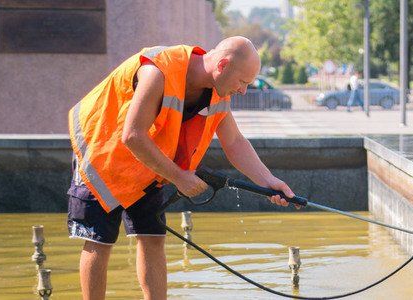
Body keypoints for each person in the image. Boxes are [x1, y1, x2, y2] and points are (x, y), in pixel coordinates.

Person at [67, 36, 295, 300]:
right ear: (222, 65)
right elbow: (132, 135)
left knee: (152, 238)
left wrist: (268, 181)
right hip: (104, 155)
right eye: (243, 82)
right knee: (99, 240)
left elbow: (234, 142)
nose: (243, 91)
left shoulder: (218, 94)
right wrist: (179, 177)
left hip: (151, 164)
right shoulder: (158, 71)